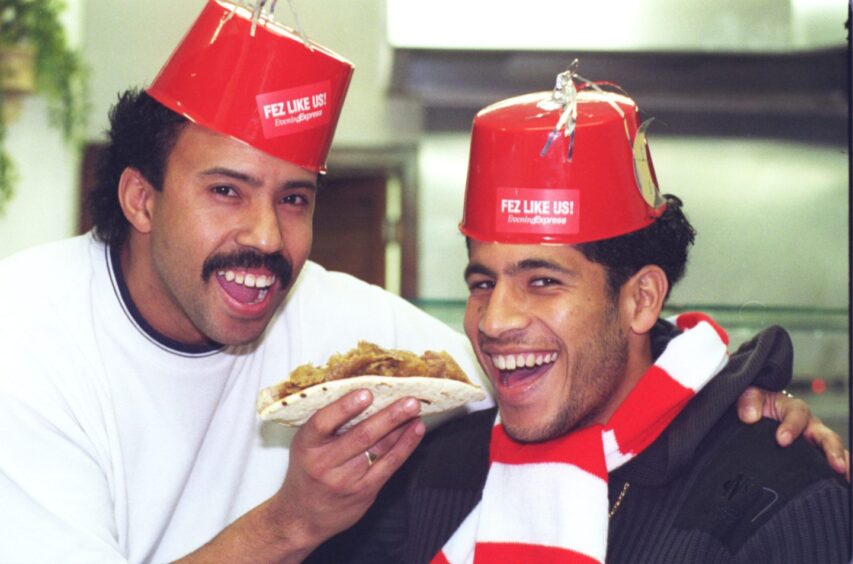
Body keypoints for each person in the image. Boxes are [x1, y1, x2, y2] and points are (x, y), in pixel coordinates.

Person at [0, 3, 844, 562]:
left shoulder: (339, 322)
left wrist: (734, 403)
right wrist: (295, 519)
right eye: (226, 190)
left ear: (640, 295)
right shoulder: (26, 336)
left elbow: (556, 374)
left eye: (294, 198)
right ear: (139, 198)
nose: (264, 237)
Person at [308, 70, 851, 563]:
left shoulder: (776, 497)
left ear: (640, 299)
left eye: (542, 281)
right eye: (483, 282)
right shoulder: (439, 471)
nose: (494, 321)